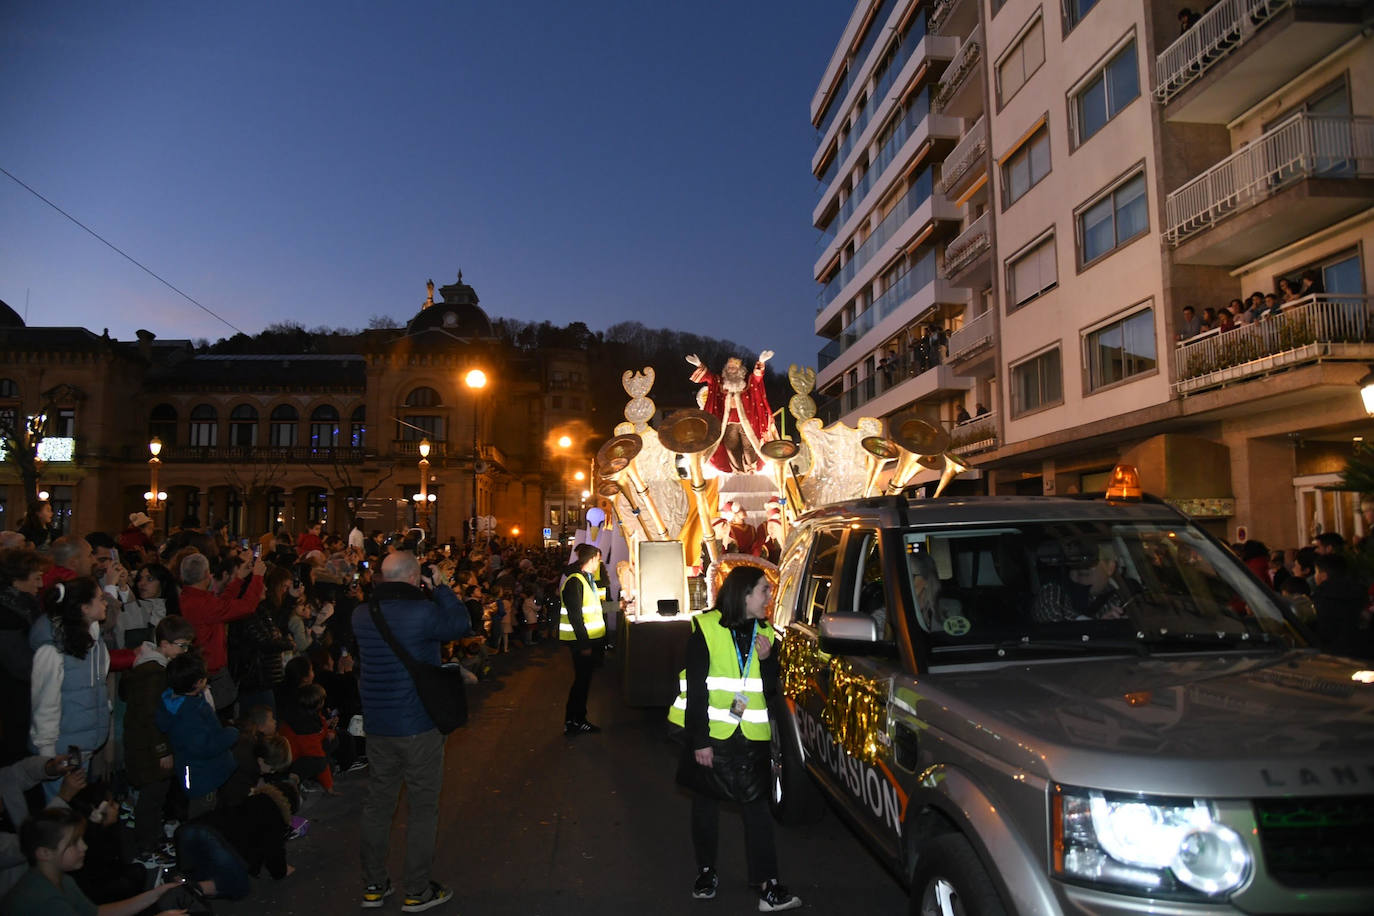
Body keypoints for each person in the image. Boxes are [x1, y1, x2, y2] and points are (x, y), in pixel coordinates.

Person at [667, 566, 800, 912]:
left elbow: (768, 689)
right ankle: (707, 873)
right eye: (763, 592)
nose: (769, 599)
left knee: (757, 809)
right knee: (706, 806)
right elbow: (696, 689)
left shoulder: (767, 632)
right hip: (712, 734)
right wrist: (699, 740)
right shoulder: (706, 628)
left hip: (752, 734)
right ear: (743, 595)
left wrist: (769, 660)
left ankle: (768, 884)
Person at [352, 550, 470, 911]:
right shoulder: (422, 612)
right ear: (414, 577)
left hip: (378, 724)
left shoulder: (362, 614)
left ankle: (374, 884)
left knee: (378, 805)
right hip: (418, 722)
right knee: (422, 808)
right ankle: (417, 890)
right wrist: (443, 588)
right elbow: (461, 624)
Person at [0, 807, 190, 915]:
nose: (84, 847)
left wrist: (155, 894)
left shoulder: (60, 879)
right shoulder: (45, 901)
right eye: (74, 843)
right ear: (44, 853)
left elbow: (97, 913)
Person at [120, 616, 195, 867]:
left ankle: (155, 839)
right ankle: (147, 848)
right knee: (151, 798)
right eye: (182, 645)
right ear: (164, 644)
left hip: (147, 746)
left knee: (157, 795)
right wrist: (162, 749)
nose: (185, 651)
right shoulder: (153, 674)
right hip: (149, 749)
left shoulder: (153, 669)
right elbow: (153, 717)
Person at [29, 578, 111, 791]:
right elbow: (45, 703)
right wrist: (47, 755)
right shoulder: (51, 650)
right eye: (101, 599)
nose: (106, 604)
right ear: (84, 608)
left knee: (76, 812)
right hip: (60, 751)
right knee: (59, 812)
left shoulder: (95, 642)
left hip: (84, 743)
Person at [179, 551, 265, 718]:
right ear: (206, 575)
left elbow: (222, 605)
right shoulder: (202, 604)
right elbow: (246, 607)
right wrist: (257, 578)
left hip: (205, 670)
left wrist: (238, 579)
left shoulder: (188, 597)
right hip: (210, 674)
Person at [156, 653, 240, 819]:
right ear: (197, 683)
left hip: (202, 770)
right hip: (202, 775)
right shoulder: (188, 713)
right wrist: (231, 734)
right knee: (204, 814)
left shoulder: (181, 700)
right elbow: (204, 746)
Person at [686, 351, 776, 474]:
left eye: (735, 368)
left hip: (747, 423)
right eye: (730, 368)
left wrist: (761, 362)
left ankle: (751, 470)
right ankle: (737, 471)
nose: (732, 370)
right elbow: (709, 377)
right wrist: (699, 364)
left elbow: (757, 377)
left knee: (749, 447)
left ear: (741, 370)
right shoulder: (720, 383)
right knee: (731, 448)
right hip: (729, 424)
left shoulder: (748, 383)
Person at [0, 549, 44, 764]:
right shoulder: (8, 615)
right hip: (13, 703)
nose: (41, 584)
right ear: (17, 580)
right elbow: (20, 664)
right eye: (37, 578)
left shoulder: (23, 607)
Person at [560, 544, 605, 736]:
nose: (600, 563)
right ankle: (574, 721)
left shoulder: (587, 580)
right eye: (599, 559)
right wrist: (584, 644)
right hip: (580, 642)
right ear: (593, 559)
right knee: (581, 682)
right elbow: (575, 616)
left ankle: (578, 719)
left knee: (584, 681)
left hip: (588, 640)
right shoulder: (575, 581)